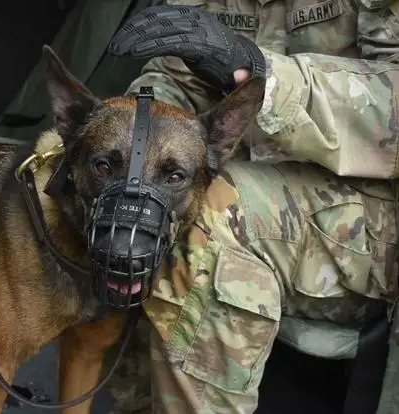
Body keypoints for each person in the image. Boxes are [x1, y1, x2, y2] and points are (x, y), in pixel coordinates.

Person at [102, 1, 399, 413]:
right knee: (129, 203)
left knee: (211, 212)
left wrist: (259, 73)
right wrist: (123, 141)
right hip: (259, 188)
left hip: (373, 220)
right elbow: (173, 80)